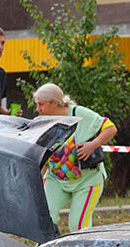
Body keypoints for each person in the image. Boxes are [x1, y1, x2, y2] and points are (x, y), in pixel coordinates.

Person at [33, 83, 117, 231]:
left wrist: (94, 144)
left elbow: (110, 128)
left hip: (87, 180)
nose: (38, 109)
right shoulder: (43, 122)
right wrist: (34, 183)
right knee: (43, 217)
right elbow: (43, 158)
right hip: (56, 180)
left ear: (54, 103)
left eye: (41, 104)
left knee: (77, 225)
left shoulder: (79, 113)